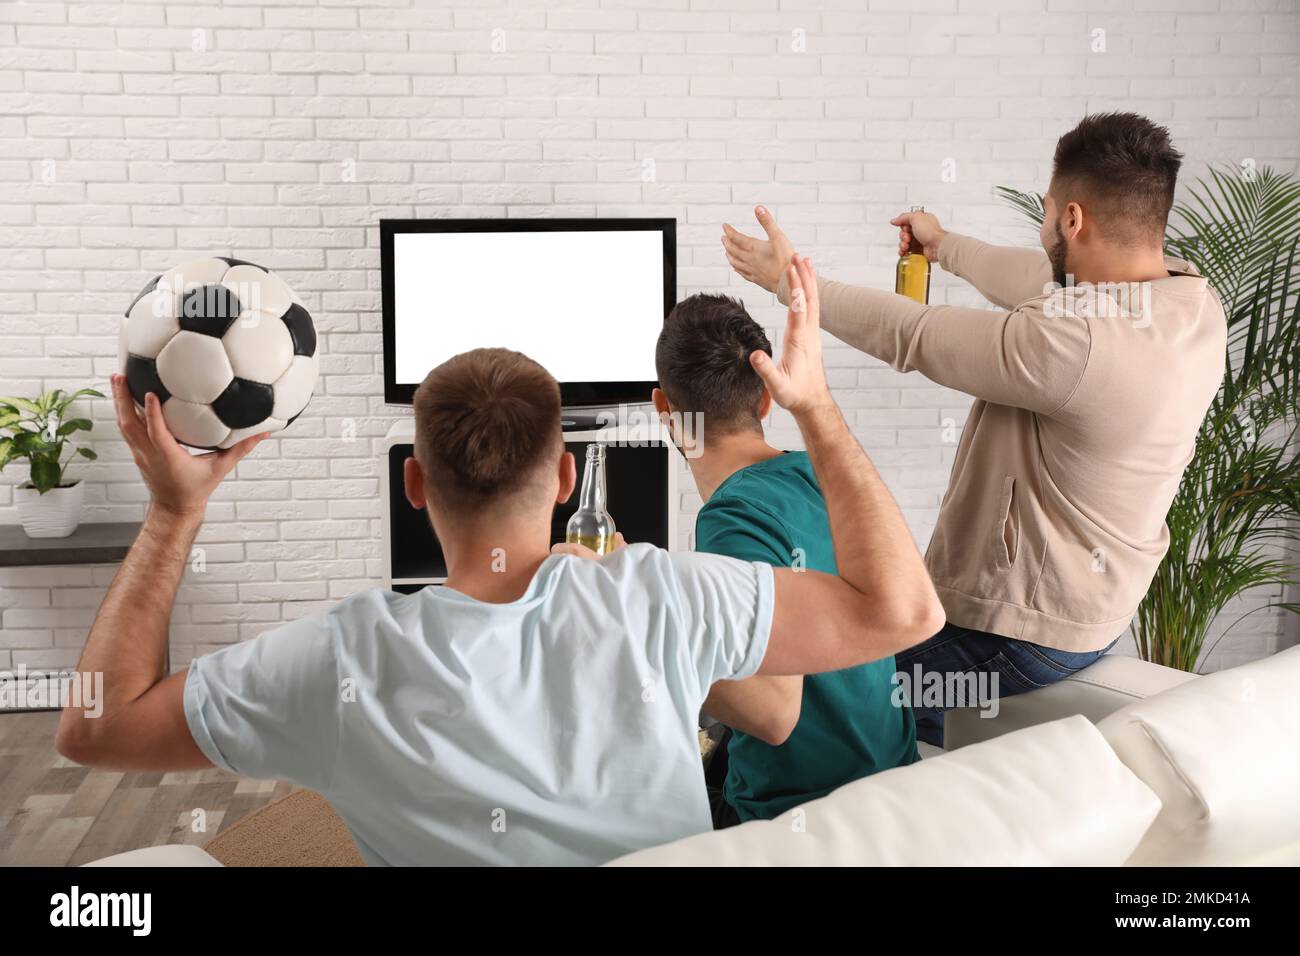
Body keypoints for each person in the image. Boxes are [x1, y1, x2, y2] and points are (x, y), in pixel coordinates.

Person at [56, 256, 944, 866]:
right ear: (566, 476)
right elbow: (905, 612)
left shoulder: (340, 659)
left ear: (413, 483)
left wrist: (176, 510)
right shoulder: (666, 594)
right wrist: (817, 406)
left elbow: (95, 728)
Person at [722, 112, 1226, 746]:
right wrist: (944, 246)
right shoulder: (1190, 302)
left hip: (1018, 635)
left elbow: (914, 334)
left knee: (816, 699)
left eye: (1047, 214)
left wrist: (787, 281)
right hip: (1094, 612)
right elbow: (1039, 277)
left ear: (1072, 219)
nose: (1043, 231)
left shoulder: (1076, 344)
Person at [651, 293, 919, 826]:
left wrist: (641, 630)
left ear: (664, 408)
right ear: (767, 400)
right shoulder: (827, 473)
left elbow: (774, 713)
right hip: (896, 780)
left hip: (799, 818)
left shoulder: (732, 516)